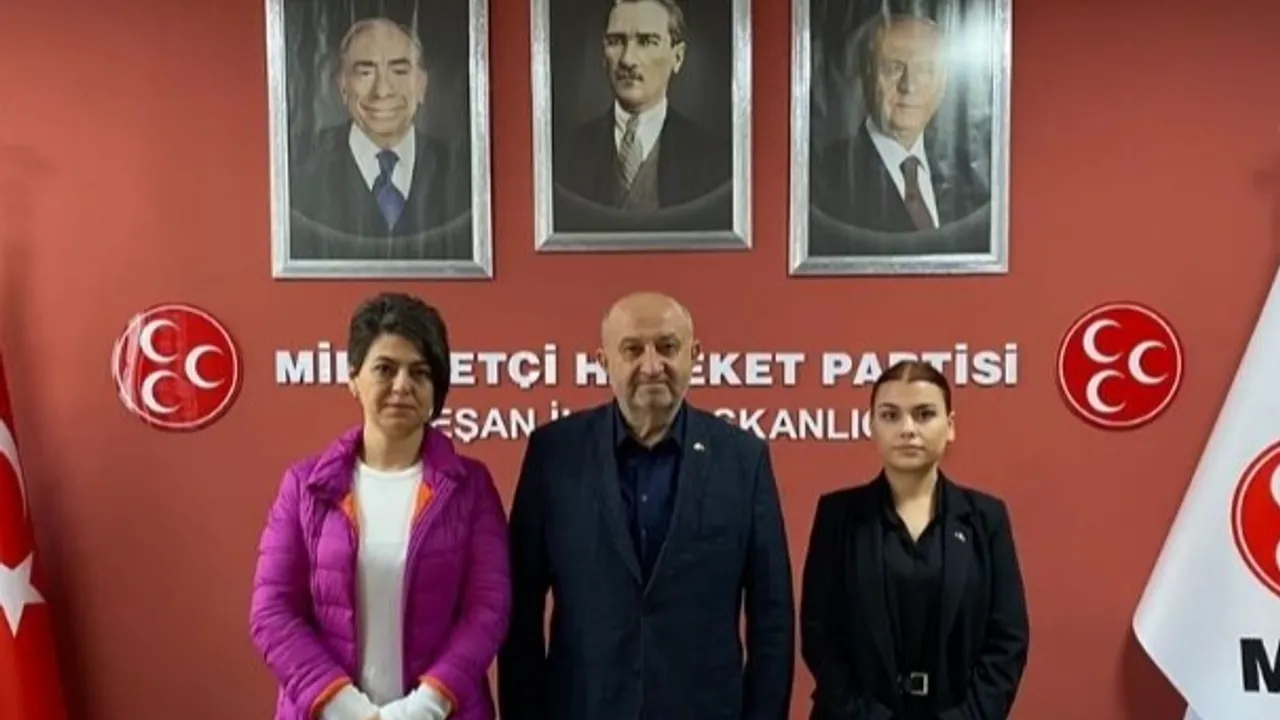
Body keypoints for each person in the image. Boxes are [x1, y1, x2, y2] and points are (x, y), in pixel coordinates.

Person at [497, 291, 794, 719]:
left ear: (694, 355)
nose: (652, 366)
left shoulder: (743, 459)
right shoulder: (554, 454)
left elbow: (772, 617)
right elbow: (520, 610)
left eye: (668, 347)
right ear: (603, 362)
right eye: (633, 349)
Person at [249, 292, 510, 720]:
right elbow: (271, 611)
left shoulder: (471, 487)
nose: (402, 386)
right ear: (354, 377)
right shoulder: (305, 486)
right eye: (385, 369)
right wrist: (349, 710)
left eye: (420, 372)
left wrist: (423, 708)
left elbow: (488, 609)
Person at [799, 360, 1030, 719]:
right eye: (890, 416)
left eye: (924, 414)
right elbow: (820, 635)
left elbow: (1007, 638)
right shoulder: (838, 516)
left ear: (950, 426)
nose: (907, 429)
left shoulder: (986, 518)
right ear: (872, 426)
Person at [289, 17, 472, 260]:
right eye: (365, 72)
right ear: (343, 86)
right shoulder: (301, 175)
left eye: (399, 71)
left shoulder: (462, 175)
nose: (382, 91)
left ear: (421, 85)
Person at [554, 0, 730, 212]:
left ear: (677, 57)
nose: (627, 60)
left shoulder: (716, 160)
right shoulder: (564, 155)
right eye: (615, 41)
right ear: (603, 54)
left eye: (647, 41)